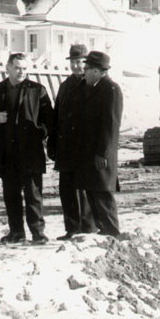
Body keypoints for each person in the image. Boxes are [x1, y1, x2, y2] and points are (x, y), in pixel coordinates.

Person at [0, 53, 53, 244]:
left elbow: (49, 119)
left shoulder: (38, 90)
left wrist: (40, 132)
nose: (21, 72)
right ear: (8, 68)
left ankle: (38, 232)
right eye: (18, 67)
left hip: (30, 151)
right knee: (11, 194)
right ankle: (16, 232)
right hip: (6, 152)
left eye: (25, 68)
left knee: (33, 194)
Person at [48, 44, 96, 241]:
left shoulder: (93, 85)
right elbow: (56, 117)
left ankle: (89, 228)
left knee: (85, 190)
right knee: (67, 189)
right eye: (74, 62)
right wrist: (52, 144)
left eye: (81, 62)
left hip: (85, 148)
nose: (77, 66)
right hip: (66, 148)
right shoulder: (65, 86)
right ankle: (72, 228)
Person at [75, 51, 123, 237]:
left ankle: (112, 234)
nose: (83, 72)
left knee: (103, 195)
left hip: (101, 155)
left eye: (86, 69)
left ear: (96, 71)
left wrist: (102, 153)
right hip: (91, 153)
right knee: (93, 193)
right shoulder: (94, 88)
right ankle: (105, 234)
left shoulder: (111, 89)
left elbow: (111, 125)